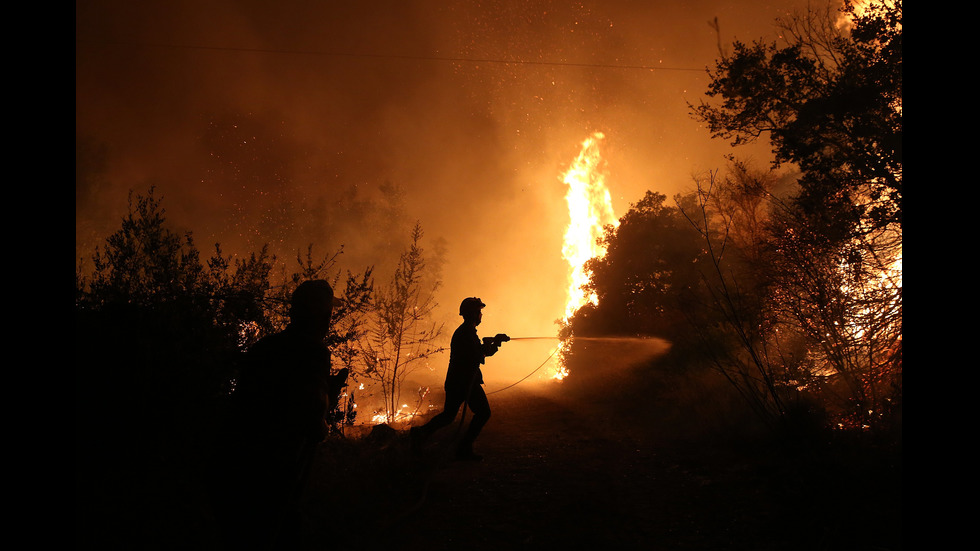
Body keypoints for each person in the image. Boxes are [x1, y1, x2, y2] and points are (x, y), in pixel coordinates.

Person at [210, 279, 348, 549]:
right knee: (276, 527)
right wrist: (329, 399)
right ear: (323, 316)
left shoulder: (266, 347)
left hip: (237, 459)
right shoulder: (313, 352)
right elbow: (312, 423)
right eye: (327, 314)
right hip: (279, 464)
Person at [411, 297, 508, 461]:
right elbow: (477, 355)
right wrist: (493, 342)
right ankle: (462, 449)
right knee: (483, 413)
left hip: (460, 381)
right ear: (471, 314)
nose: (480, 315)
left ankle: (419, 434)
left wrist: (494, 343)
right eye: (479, 312)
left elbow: (481, 352)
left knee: (448, 416)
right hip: (464, 382)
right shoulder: (465, 333)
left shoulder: (467, 331)